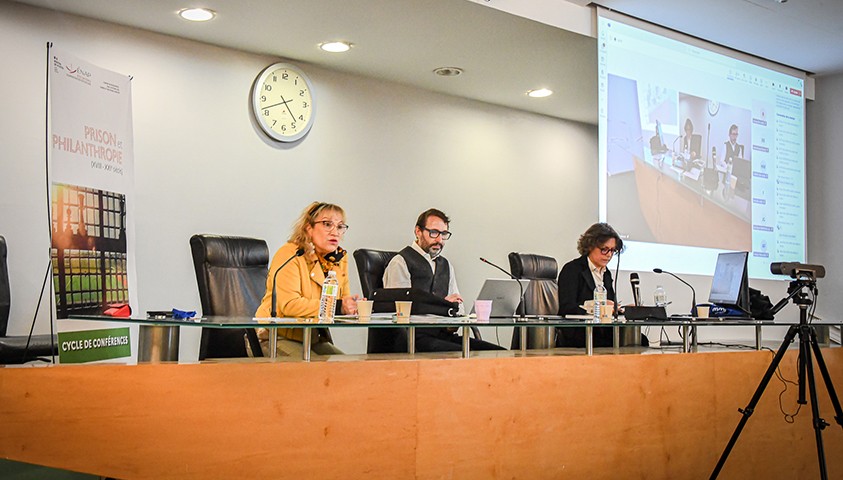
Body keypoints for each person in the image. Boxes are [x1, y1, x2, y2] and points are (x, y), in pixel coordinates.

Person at [383, 208, 505, 352]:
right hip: (414, 338)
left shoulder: (446, 265)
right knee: (463, 357)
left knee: (499, 353)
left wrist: (453, 314)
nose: (439, 240)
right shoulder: (400, 262)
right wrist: (442, 306)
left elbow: (458, 307)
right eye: (433, 233)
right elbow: (400, 310)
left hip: (444, 335)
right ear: (418, 231)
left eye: (444, 234)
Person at [254, 201, 362, 357]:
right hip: (274, 337)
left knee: (349, 369)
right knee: (315, 374)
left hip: (311, 338)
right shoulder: (291, 254)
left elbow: (341, 302)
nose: (335, 232)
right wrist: (339, 306)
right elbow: (289, 305)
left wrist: (353, 306)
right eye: (327, 224)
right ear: (308, 228)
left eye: (340, 227)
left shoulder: (338, 260)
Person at [557, 223, 646, 348]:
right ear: (590, 246)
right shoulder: (572, 269)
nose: (609, 255)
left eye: (612, 250)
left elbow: (610, 305)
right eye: (604, 249)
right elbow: (567, 308)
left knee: (640, 340)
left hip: (602, 329)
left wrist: (622, 309)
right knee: (622, 342)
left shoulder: (606, 273)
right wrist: (596, 307)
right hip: (580, 331)